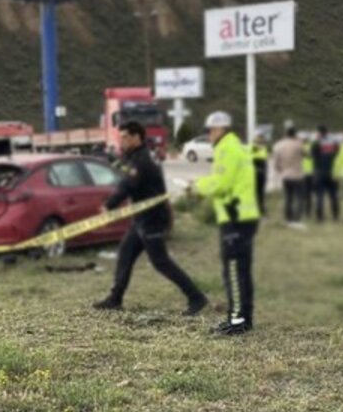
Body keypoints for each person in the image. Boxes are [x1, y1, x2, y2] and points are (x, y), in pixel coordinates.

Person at [93, 122, 207, 315]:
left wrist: (109, 205)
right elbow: (124, 170)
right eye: (121, 137)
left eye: (125, 137)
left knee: (161, 262)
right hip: (140, 218)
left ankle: (196, 297)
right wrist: (110, 159)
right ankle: (115, 299)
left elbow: (127, 186)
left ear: (137, 137)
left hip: (153, 218)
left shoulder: (143, 160)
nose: (122, 141)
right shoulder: (135, 155)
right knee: (125, 254)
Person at [194, 111, 259, 336]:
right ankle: (243, 318)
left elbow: (222, 183)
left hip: (235, 218)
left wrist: (196, 186)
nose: (208, 135)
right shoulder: (234, 146)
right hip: (242, 216)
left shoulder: (227, 148)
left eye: (210, 131)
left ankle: (238, 320)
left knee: (233, 271)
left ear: (221, 129)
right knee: (241, 271)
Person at [272, 127, 306, 226]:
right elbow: (306, 154)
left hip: (285, 175)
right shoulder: (298, 144)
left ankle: (288, 217)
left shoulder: (278, 145)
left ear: (285, 134)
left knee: (288, 197)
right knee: (299, 198)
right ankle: (296, 218)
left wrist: (280, 170)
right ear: (295, 134)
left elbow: (276, 163)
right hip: (298, 175)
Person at [311, 126, 340, 222]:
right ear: (327, 132)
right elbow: (338, 154)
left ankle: (319, 217)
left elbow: (313, 157)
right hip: (332, 172)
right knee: (333, 195)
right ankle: (335, 216)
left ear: (319, 132)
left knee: (319, 196)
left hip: (320, 172)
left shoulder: (316, 143)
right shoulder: (334, 143)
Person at [251, 133, 269, 217]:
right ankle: (257, 210)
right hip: (256, 172)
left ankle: (261, 209)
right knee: (256, 193)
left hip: (261, 173)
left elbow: (264, 159)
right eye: (259, 138)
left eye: (261, 139)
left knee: (260, 193)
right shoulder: (253, 147)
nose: (260, 140)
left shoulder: (263, 148)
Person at [301, 139, 314, 219]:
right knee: (309, 194)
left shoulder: (300, 148)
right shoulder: (312, 147)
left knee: (302, 194)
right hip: (311, 173)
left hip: (302, 174)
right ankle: (308, 211)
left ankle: (302, 210)